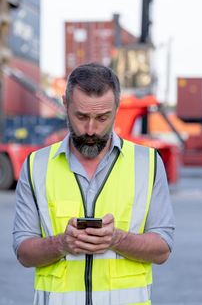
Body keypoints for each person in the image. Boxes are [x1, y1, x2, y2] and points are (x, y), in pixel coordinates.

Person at [13, 62, 175, 305]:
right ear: (65, 104)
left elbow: (162, 249)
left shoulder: (149, 163)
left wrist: (117, 239)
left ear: (117, 108)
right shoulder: (36, 165)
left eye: (102, 117)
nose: (91, 129)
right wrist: (62, 243)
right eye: (81, 116)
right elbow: (24, 253)